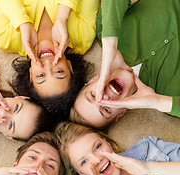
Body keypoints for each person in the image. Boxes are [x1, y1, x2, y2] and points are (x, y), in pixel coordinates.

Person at [70, 0, 180, 129]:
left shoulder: (106, 35)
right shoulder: (168, 100)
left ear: (93, 80)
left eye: (93, 95)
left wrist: (110, 44)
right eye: (105, 109)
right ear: (121, 113)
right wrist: (157, 101)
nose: (104, 97)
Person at [0, 0, 98, 118]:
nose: (48, 64)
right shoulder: (83, 37)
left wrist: (23, 24)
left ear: (31, 74)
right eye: (59, 71)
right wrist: (62, 17)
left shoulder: (6, 39)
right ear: (70, 67)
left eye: (40, 76)